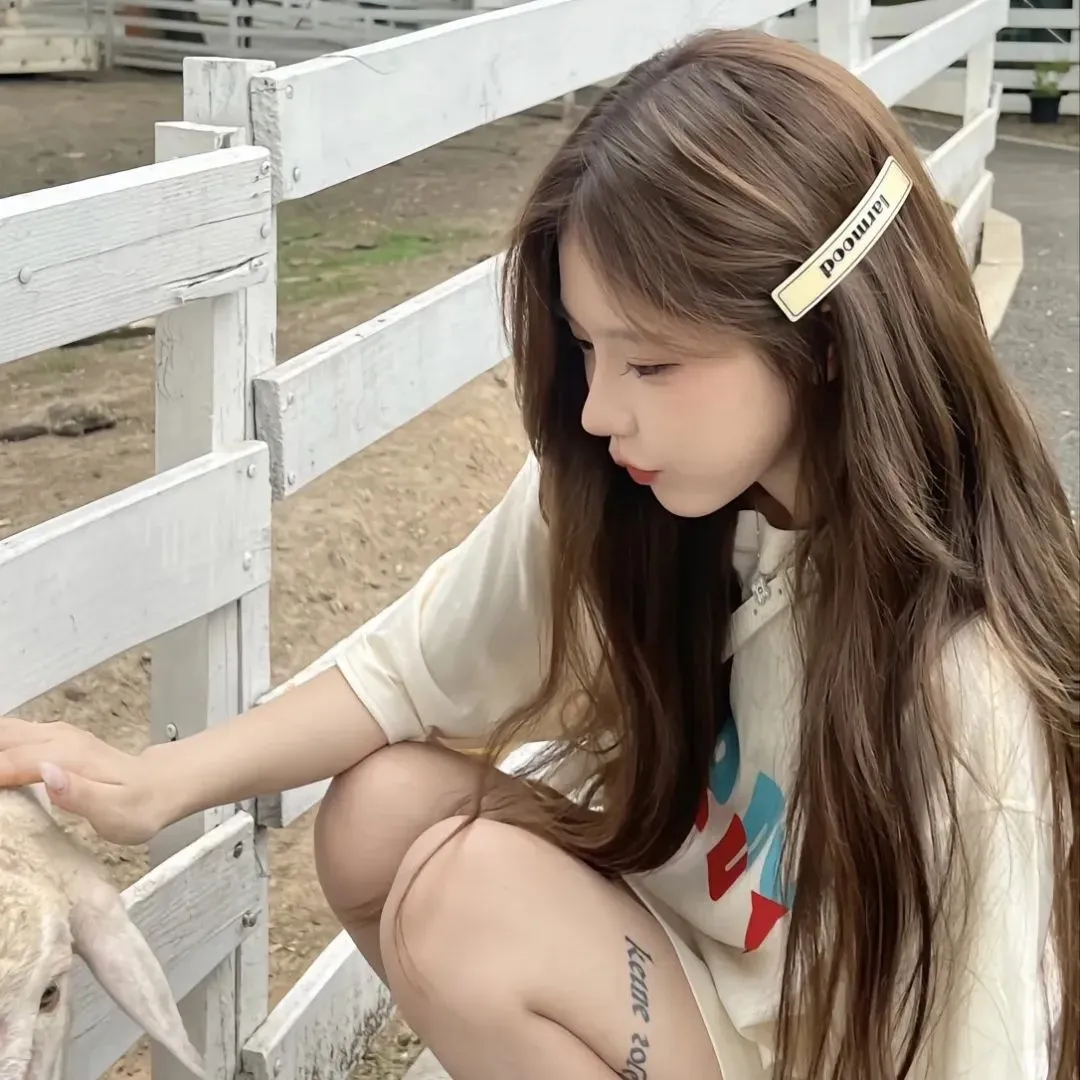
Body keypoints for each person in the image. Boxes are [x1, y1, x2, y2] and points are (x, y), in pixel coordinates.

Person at [1, 27, 1076, 1080]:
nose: (600, 408)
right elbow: (406, 671)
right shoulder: (647, 487)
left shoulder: (965, 692)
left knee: (463, 902)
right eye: (589, 347)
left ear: (825, 337)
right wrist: (156, 781)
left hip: (802, 1045)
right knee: (380, 815)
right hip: (680, 957)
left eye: (651, 363)